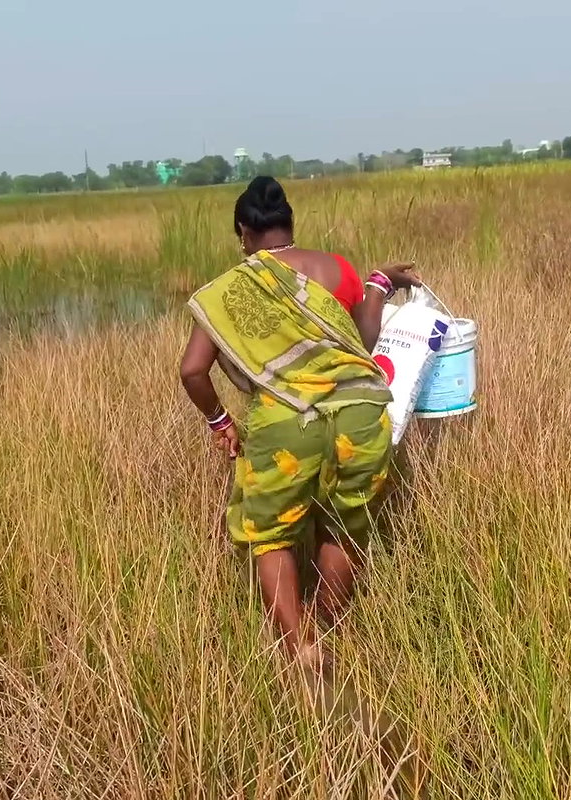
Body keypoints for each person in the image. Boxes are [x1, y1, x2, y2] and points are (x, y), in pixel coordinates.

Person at [178, 176, 419, 676]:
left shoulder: (233, 290)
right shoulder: (336, 269)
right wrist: (378, 285)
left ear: (244, 232)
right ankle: (327, 627)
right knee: (346, 528)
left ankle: (302, 652)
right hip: (362, 412)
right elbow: (363, 341)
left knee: (271, 535)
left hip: (288, 421)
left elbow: (192, 371)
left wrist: (221, 421)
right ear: (290, 224)